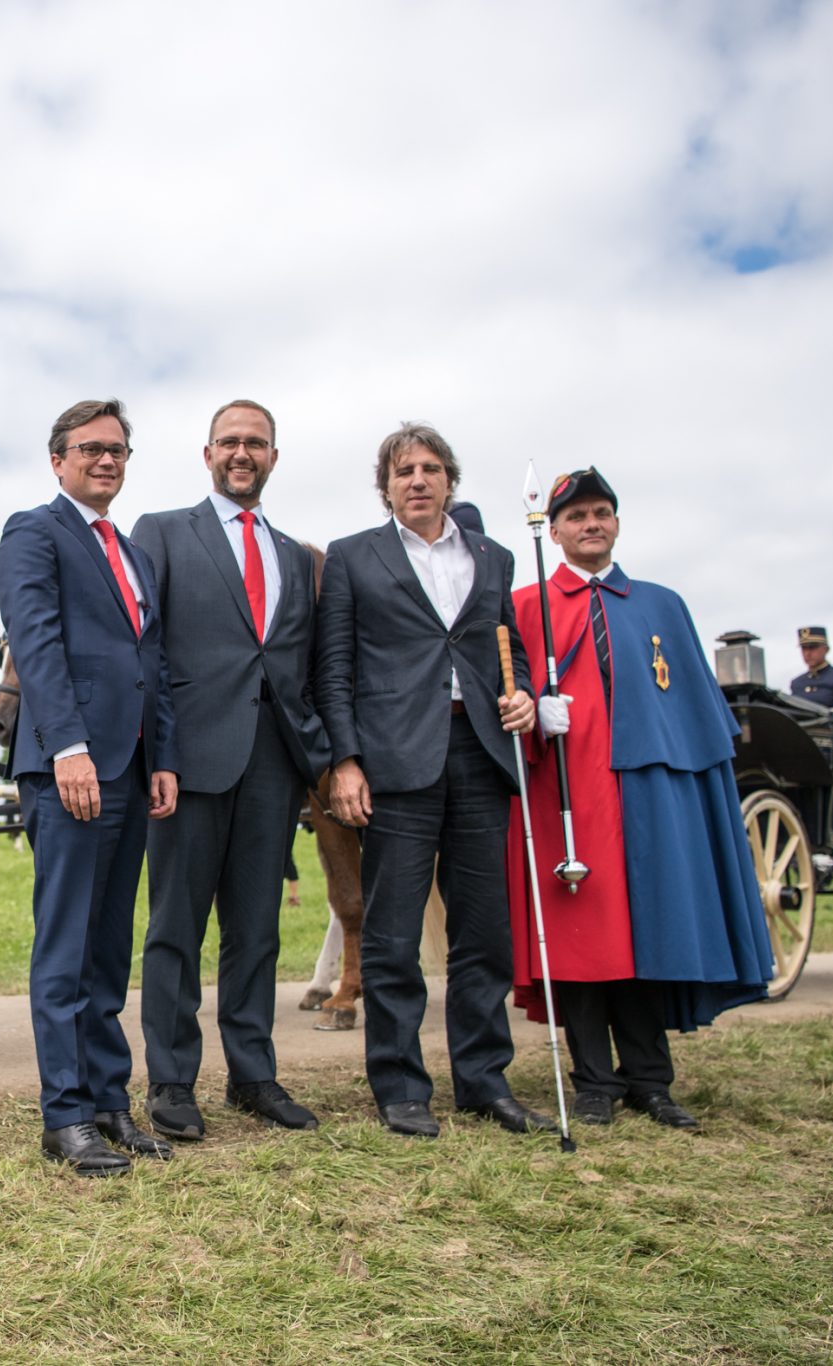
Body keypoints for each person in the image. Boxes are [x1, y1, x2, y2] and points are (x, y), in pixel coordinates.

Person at [506, 468, 775, 1128]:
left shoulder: (662, 604)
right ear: (558, 530)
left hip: (651, 797)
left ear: (617, 523)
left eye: (601, 513)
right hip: (564, 792)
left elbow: (691, 712)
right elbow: (502, 697)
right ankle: (594, 1081)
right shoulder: (525, 605)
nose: (590, 524)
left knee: (650, 935)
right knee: (580, 944)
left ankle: (651, 1081)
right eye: (576, 517)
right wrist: (535, 714)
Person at [316, 423, 543, 1140]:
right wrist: (345, 761)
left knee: (484, 935)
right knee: (390, 936)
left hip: (478, 751)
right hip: (394, 761)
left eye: (432, 468)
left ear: (451, 481)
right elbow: (335, 669)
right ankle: (400, 1087)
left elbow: (510, 651)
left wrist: (524, 695)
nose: (418, 479)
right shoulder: (355, 557)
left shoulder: (494, 557)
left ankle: (483, 1082)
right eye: (404, 470)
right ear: (385, 486)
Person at [130, 399, 330, 1139]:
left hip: (273, 762)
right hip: (187, 764)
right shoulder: (162, 532)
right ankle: (172, 1082)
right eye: (230, 442)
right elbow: (144, 647)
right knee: (175, 927)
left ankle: (254, 1076)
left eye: (257, 443)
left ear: (274, 458)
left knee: (258, 929)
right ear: (207, 453)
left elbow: (298, 664)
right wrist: (159, 754)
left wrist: (316, 755)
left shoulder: (294, 554)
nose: (243, 453)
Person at [0, 398, 180, 1175]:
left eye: (118, 450)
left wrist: (163, 755)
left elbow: (152, 664)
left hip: (132, 773)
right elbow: (36, 644)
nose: (107, 460)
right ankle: (63, 1114)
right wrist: (67, 746)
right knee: (66, 948)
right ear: (59, 460)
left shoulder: (133, 555)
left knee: (108, 949)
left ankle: (109, 1102)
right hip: (70, 769)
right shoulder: (34, 531)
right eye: (91, 448)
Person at [789, 626, 833, 710]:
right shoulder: (797, 684)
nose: (808, 653)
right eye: (804, 648)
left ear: (826, 649)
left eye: (812, 647)